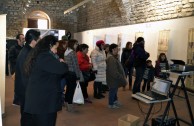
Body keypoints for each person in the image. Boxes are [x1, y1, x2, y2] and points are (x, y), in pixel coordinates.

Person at [23, 35, 68, 126]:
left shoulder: (38, 54)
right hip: (43, 102)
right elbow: (62, 69)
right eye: (55, 48)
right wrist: (63, 63)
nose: (56, 51)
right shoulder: (45, 57)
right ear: (50, 46)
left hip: (39, 100)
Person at [14, 29, 41, 126]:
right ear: (33, 40)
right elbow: (26, 76)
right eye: (38, 39)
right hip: (27, 91)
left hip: (26, 90)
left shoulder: (27, 51)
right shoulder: (27, 54)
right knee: (27, 117)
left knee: (27, 115)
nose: (39, 41)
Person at [106, 44, 127, 109]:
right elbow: (113, 71)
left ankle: (115, 101)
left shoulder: (114, 57)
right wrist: (120, 77)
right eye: (117, 49)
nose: (118, 50)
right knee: (112, 91)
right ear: (113, 49)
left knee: (115, 91)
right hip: (113, 78)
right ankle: (111, 104)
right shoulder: (111, 58)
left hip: (115, 78)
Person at [64, 39, 80, 112]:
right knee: (71, 90)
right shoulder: (73, 53)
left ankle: (67, 103)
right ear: (72, 44)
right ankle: (70, 105)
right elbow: (75, 65)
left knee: (68, 89)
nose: (77, 45)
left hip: (67, 73)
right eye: (76, 44)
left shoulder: (66, 51)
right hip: (72, 73)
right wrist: (78, 76)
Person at [57, 39, 68, 106]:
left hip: (60, 73)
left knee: (61, 87)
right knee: (61, 87)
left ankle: (61, 100)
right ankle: (60, 101)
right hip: (62, 72)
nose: (66, 45)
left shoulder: (59, 51)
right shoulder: (62, 52)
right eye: (64, 44)